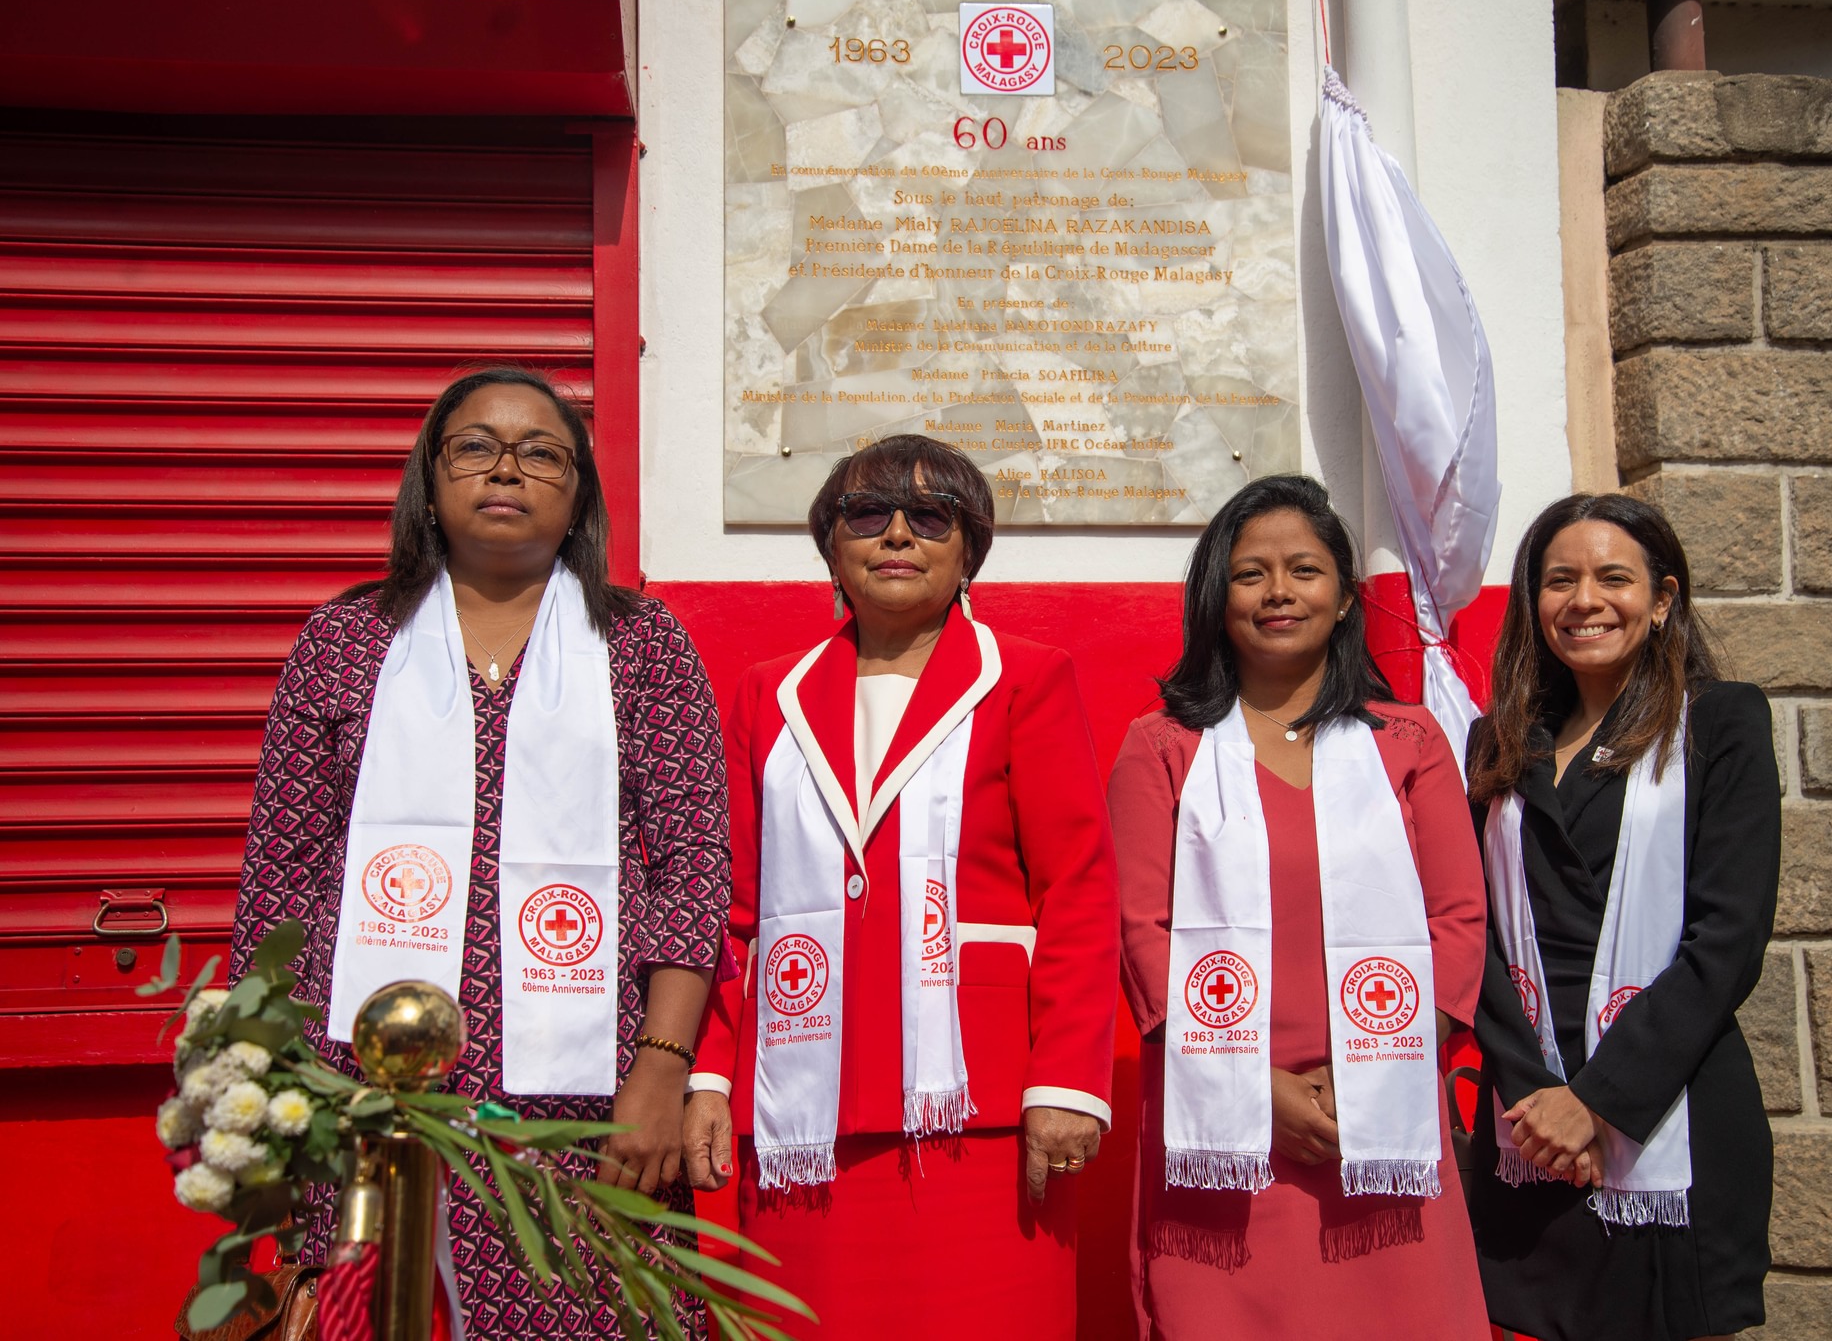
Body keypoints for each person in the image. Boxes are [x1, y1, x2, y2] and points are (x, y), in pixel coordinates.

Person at [230, 367, 731, 1339]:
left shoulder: (639, 644)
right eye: (475, 445)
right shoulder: (346, 641)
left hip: (584, 1090)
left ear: (578, 488)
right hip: (364, 1084)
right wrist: (280, 1083)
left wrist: (662, 1070)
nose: (506, 468)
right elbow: (281, 879)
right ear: (431, 476)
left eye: (541, 450)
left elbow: (689, 868)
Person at [679, 435, 1120, 1339]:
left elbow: (1078, 886)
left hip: (982, 1115)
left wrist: (1068, 1082)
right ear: (830, 544)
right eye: (868, 514)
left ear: (970, 549)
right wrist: (713, 1072)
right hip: (804, 1110)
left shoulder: (1027, 679)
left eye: (930, 518)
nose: (897, 536)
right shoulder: (770, 694)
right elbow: (734, 910)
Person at [1109, 474, 1491, 1339]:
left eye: (1304, 569)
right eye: (1251, 574)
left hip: (1383, 1123)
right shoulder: (1162, 747)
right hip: (1225, 1132)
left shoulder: (1411, 743)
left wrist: (1371, 1075)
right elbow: (1140, 933)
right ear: (1217, 596)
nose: (1279, 592)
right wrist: (1259, 1087)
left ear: (1346, 595)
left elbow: (1460, 921)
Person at [1463, 493, 1777, 1341]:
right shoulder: (1497, 740)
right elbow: (1471, 932)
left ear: (1663, 597)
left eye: (1614, 578)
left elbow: (1729, 941)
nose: (1585, 599)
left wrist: (1595, 1104)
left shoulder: (1721, 723)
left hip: (1669, 1108)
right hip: (1526, 1124)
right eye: (1560, 579)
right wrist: (1537, 1096)